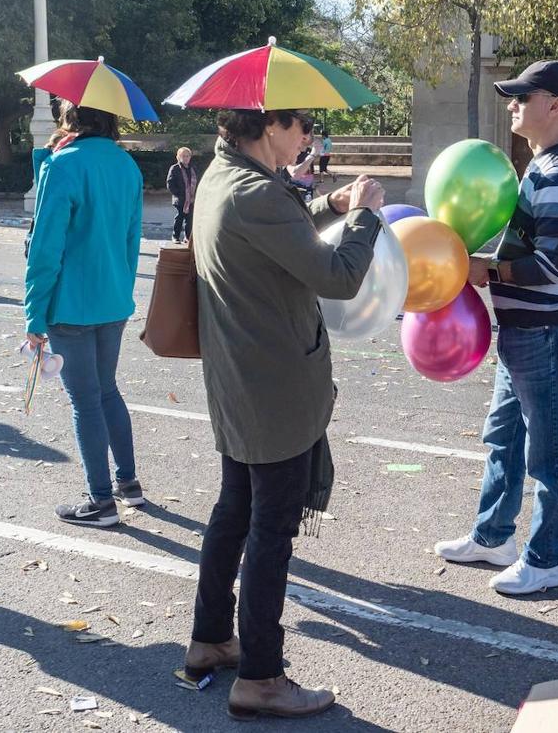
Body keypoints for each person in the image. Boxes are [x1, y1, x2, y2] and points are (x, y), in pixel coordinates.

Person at [186, 108, 383, 720]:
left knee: (234, 511)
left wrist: (330, 204)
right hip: (274, 385)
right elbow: (341, 276)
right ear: (269, 128)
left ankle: (211, 638)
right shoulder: (255, 191)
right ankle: (262, 677)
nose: (308, 139)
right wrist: (367, 216)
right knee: (271, 529)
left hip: (239, 377)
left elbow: (279, 230)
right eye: (301, 126)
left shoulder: (222, 174)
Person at [435, 60, 558, 596]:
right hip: (527, 327)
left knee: (549, 452)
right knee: (503, 436)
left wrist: (489, 269)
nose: (512, 105)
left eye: (522, 97)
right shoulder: (544, 166)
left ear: (556, 106)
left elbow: (554, 265)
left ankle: (546, 559)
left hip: (546, 330)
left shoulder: (557, 173)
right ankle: (493, 536)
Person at [24, 101, 145, 527]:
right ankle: (128, 484)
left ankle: (99, 501)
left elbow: (45, 245)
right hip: (113, 298)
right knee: (107, 390)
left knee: (85, 401)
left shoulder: (64, 165)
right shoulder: (127, 166)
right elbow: (133, 239)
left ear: (70, 117)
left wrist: (34, 315)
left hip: (70, 303)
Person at [166, 147, 198, 244]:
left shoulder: (193, 168)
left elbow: (198, 181)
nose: (185, 158)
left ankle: (188, 237)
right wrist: (179, 194)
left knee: (189, 219)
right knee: (179, 218)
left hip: (191, 199)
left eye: (187, 156)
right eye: (183, 156)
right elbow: (170, 184)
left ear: (190, 157)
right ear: (178, 157)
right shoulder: (175, 168)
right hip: (180, 199)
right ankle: (175, 236)